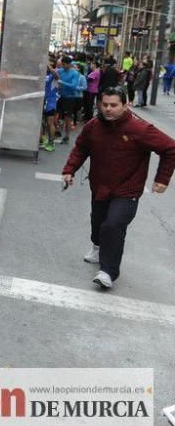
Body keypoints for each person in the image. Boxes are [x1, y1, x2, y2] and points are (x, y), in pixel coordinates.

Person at [62, 86, 175, 289]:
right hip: (100, 185)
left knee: (113, 225)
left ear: (125, 105)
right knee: (97, 221)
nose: (108, 109)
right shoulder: (93, 126)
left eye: (114, 105)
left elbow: (170, 148)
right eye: (104, 104)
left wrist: (162, 179)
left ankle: (108, 271)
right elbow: (81, 148)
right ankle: (97, 247)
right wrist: (69, 170)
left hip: (127, 190)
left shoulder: (139, 129)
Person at [56, 57, 82, 144]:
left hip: (70, 98)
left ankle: (67, 135)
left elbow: (74, 86)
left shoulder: (75, 73)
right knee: (55, 114)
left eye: (64, 64)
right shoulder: (60, 70)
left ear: (69, 64)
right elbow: (53, 73)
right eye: (62, 64)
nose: (62, 66)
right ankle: (57, 130)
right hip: (59, 96)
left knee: (68, 118)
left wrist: (61, 82)